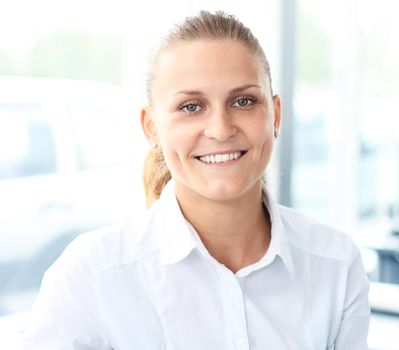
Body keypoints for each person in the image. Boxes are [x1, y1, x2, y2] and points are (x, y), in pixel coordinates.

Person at [21, 11, 370, 350]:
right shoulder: (92, 276)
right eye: (191, 107)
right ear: (151, 126)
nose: (220, 129)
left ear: (275, 115)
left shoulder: (335, 264)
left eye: (243, 101)